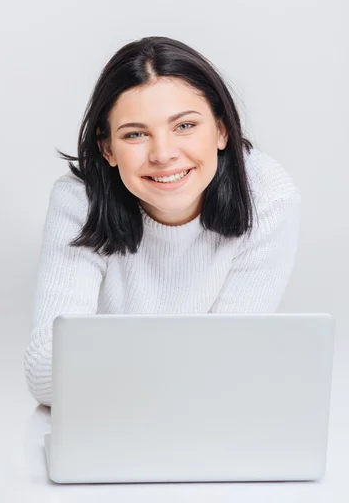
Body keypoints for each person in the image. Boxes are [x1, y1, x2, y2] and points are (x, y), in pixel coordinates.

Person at [24, 36, 301, 407]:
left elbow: (227, 368)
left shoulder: (268, 197)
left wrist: (100, 367)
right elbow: (45, 374)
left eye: (184, 126)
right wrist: (192, 365)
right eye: (136, 134)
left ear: (221, 130)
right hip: (110, 425)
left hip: (196, 421)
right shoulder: (79, 199)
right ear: (107, 149)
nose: (163, 154)